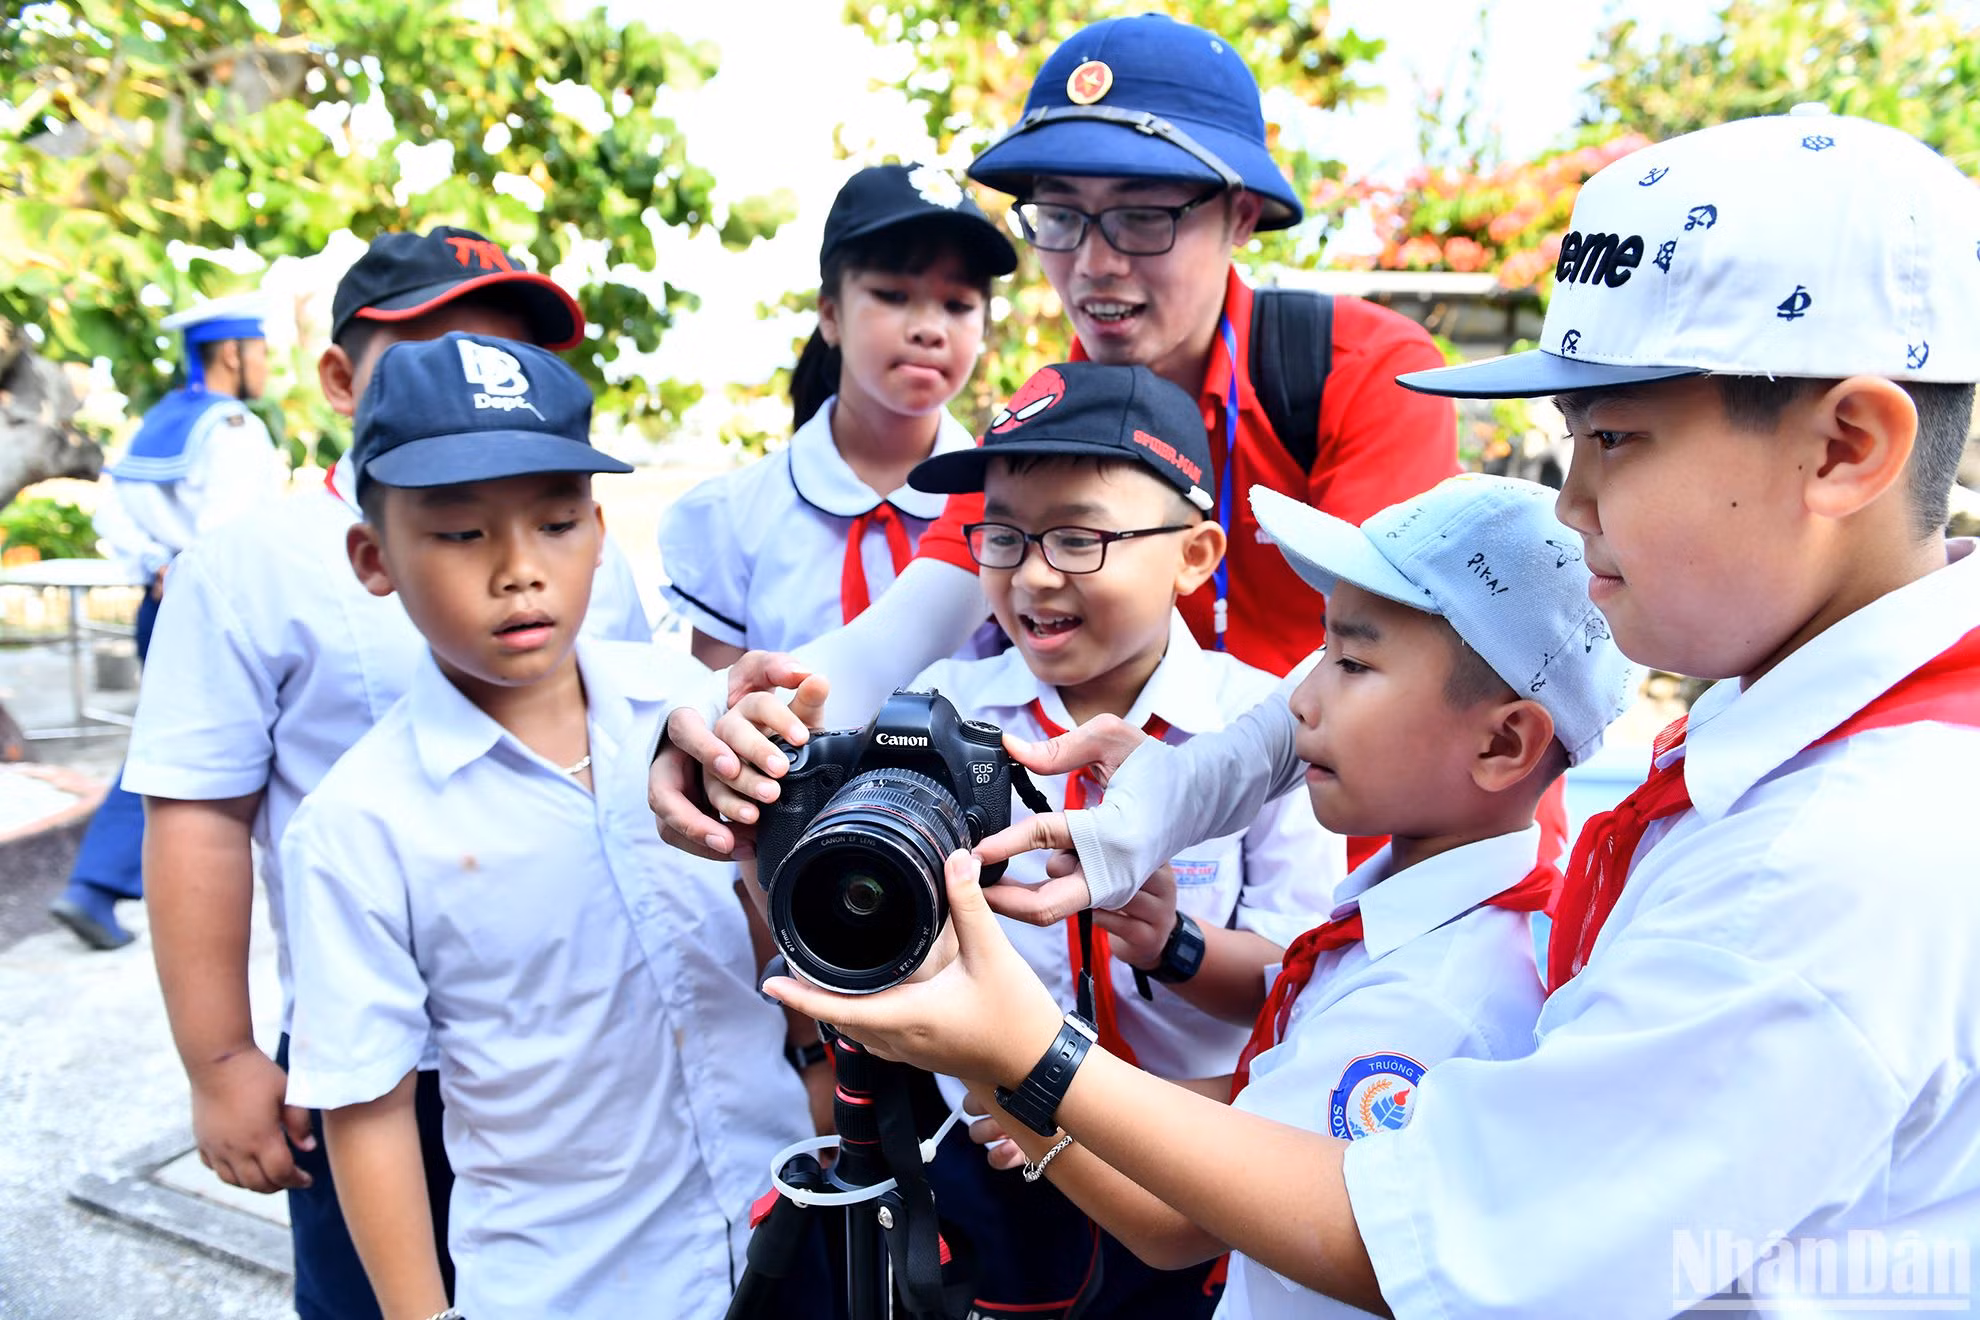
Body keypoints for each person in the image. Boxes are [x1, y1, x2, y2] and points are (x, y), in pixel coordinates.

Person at [761, 108, 1980, 1316]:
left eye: (1615, 437)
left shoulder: (1830, 864)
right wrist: (1141, 821)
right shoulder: (1809, 769)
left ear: (1844, 449)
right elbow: (1291, 725)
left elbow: (1434, 1232)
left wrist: (1019, 1052)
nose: (1576, 501)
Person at [651, 12, 1465, 871]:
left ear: (1242, 216)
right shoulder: (1039, 426)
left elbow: (1373, 647)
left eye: (1143, 218)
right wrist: (713, 728)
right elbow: (885, 643)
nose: (1094, 264)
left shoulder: (1362, 371)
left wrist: (1174, 798)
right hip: (1111, 890)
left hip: (1374, 878)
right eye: (1060, 217)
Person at [123, 227, 669, 1320]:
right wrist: (222, 1058)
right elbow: (201, 817)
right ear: (338, 376)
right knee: (376, 1281)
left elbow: (643, 726)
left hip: (556, 1005)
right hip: (370, 1019)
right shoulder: (248, 562)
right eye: (445, 344)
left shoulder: (567, 547)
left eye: (515, 355)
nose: (481, 380)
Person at [951, 473, 1629, 1320]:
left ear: (1503, 741)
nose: (1301, 700)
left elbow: (1176, 1220)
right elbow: (1268, 1108)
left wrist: (1001, 1055)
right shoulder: (1419, 919)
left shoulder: (1436, 1000)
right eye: (1319, 654)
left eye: (1352, 662)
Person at [283, 332, 799, 1318]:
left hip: (788, 1233)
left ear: (600, 532)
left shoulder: (686, 710)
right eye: (462, 533)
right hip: (574, 1285)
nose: (520, 570)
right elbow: (369, 1102)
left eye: (556, 521)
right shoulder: (359, 825)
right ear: (372, 555)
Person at [890, 361, 1340, 1318]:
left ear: (1195, 553)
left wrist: (1176, 947)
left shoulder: (1265, 726)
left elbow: (1298, 983)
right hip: (990, 1163)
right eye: (1004, 535)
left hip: (1205, 1171)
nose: (1033, 572)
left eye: (1079, 537)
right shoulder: (940, 712)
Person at [659, 161, 1017, 667]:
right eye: (893, 295)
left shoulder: (1014, 505)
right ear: (830, 315)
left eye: (958, 305)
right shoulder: (735, 516)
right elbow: (717, 707)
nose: (930, 329)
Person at [49, 293, 282, 950]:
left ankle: (97, 886)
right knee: (190, 751)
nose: (265, 364)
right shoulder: (235, 428)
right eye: (259, 350)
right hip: (214, 605)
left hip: (162, 599)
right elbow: (235, 535)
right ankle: (98, 886)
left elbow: (111, 515)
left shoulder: (159, 421)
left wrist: (157, 561)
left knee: (174, 741)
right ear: (232, 354)